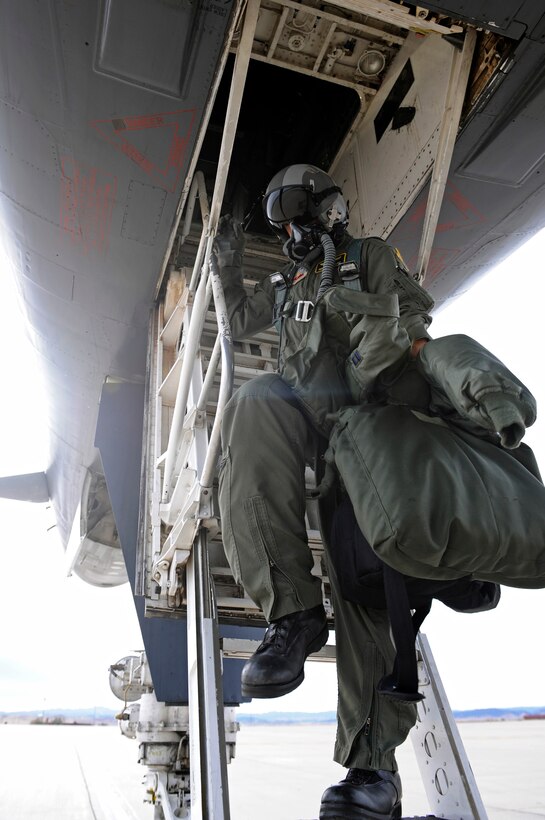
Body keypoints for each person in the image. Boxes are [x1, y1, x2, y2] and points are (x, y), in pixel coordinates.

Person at [214, 163, 435, 819]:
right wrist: (228, 264)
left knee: (369, 579)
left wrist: (343, 290)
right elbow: (235, 323)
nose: (291, 229)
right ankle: (293, 615)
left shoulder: (368, 258)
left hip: (369, 418)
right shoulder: (288, 284)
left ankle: (372, 769)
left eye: (300, 213)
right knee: (256, 400)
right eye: (282, 219)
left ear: (329, 211)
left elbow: (413, 316)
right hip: (307, 412)